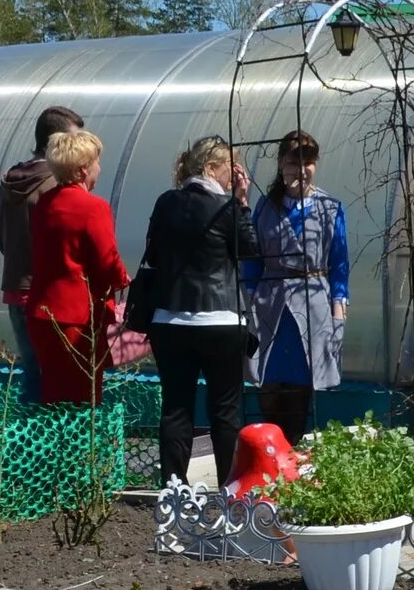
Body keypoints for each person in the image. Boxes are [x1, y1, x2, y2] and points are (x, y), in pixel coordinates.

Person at [136, 136, 259, 487]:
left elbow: (155, 256)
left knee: (176, 409)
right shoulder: (226, 207)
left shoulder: (165, 203)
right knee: (225, 411)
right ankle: (230, 490)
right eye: (229, 168)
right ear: (210, 168)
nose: (233, 176)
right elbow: (250, 249)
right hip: (220, 320)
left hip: (170, 320)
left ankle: (173, 492)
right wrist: (243, 202)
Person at [243, 129, 348, 442]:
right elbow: (252, 261)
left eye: (309, 162)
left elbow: (339, 264)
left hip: (313, 303)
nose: (302, 169)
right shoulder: (265, 207)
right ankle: (271, 449)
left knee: (304, 380)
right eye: (294, 162)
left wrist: (338, 313)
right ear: (281, 163)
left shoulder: (330, 208)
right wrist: (250, 308)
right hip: (272, 304)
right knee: (269, 378)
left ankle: (298, 448)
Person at [25, 128, 127, 405]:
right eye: (96, 162)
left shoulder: (45, 203)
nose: (100, 168)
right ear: (83, 170)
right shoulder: (93, 207)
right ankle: (81, 450)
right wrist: (124, 280)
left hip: (43, 312)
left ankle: (54, 447)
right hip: (78, 316)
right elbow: (107, 261)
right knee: (82, 396)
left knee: (54, 393)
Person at [0, 105, 83, 404]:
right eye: (73, 141)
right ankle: (54, 448)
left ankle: (27, 445)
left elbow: (3, 241)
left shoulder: (10, 180)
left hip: (16, 289)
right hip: (48, 294)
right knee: (58, 377)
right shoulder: (54, 183)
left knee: (32, 373)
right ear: (55, 142)